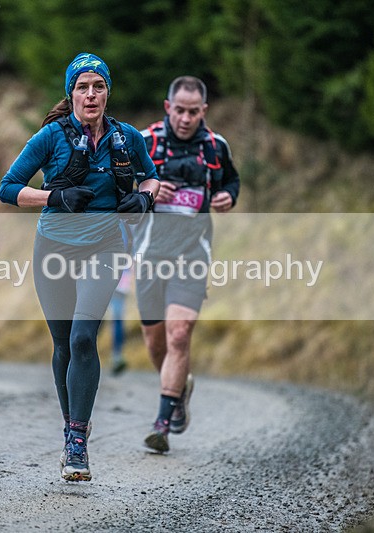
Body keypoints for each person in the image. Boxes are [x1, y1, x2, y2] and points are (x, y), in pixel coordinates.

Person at [0, 52, 160, 481]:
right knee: (65, 343)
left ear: (109, 92)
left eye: (99, 86)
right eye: (83, 87)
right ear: (71, 93)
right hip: (54, 248)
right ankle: (72, 426)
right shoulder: (50, 137)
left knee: (85, 337)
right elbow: (8, 188)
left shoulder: (127, 137)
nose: (91, 94)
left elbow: (151, 175)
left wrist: (145, 197)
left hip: (106, 246)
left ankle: (76, 439)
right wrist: (54, 197)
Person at [133, 76, 240, 453]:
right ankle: (179, 390)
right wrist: (146, 189)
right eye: (179, 110)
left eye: (193, 112)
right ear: (168, 108)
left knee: (180, 334)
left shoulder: (215, 146)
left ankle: (161, 424)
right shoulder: (143, 143)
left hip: (192, 254)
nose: (185, 118)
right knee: (156, 340)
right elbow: (117, 187)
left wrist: (227, 195)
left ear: (204, 112)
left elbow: (231, 180)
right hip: (148, 255)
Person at [107, 265, 133, 375]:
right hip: (120, 281)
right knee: (117, 320)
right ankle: (116, 355)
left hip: (112, 281)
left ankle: (116, 356)